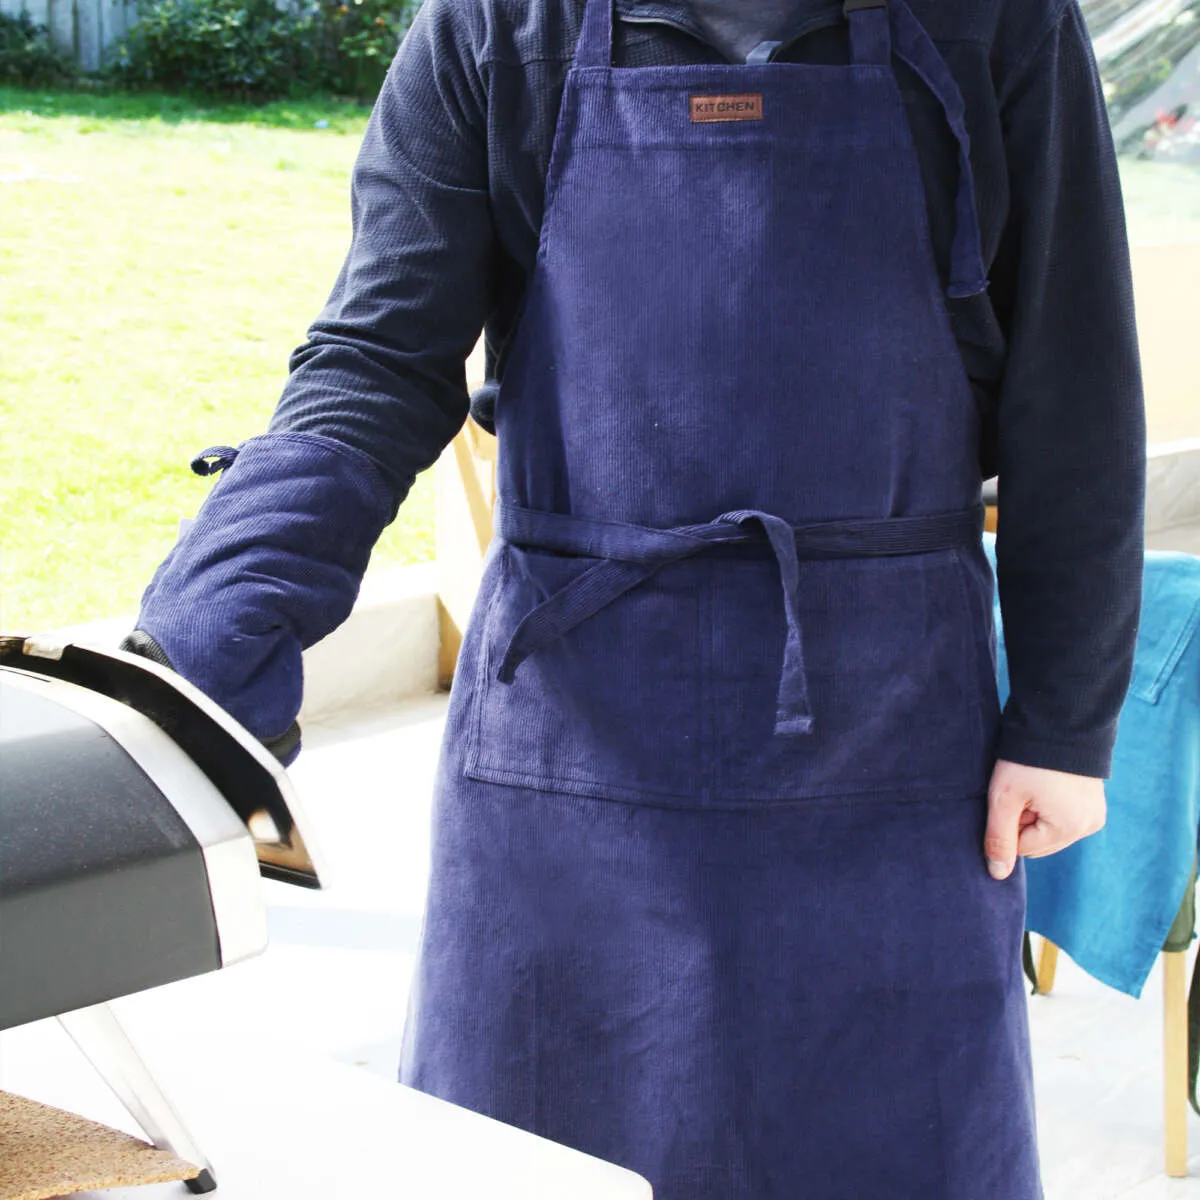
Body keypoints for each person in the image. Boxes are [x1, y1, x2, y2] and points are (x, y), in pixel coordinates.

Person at [123, 0, 1146, 1195]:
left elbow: (1073, 387)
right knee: (532, 1161)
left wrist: (1066, 724)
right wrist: (204, 637)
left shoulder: (1001, 23)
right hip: (572, 741)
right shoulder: (495, 25)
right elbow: (378, 362)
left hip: (889, 731)